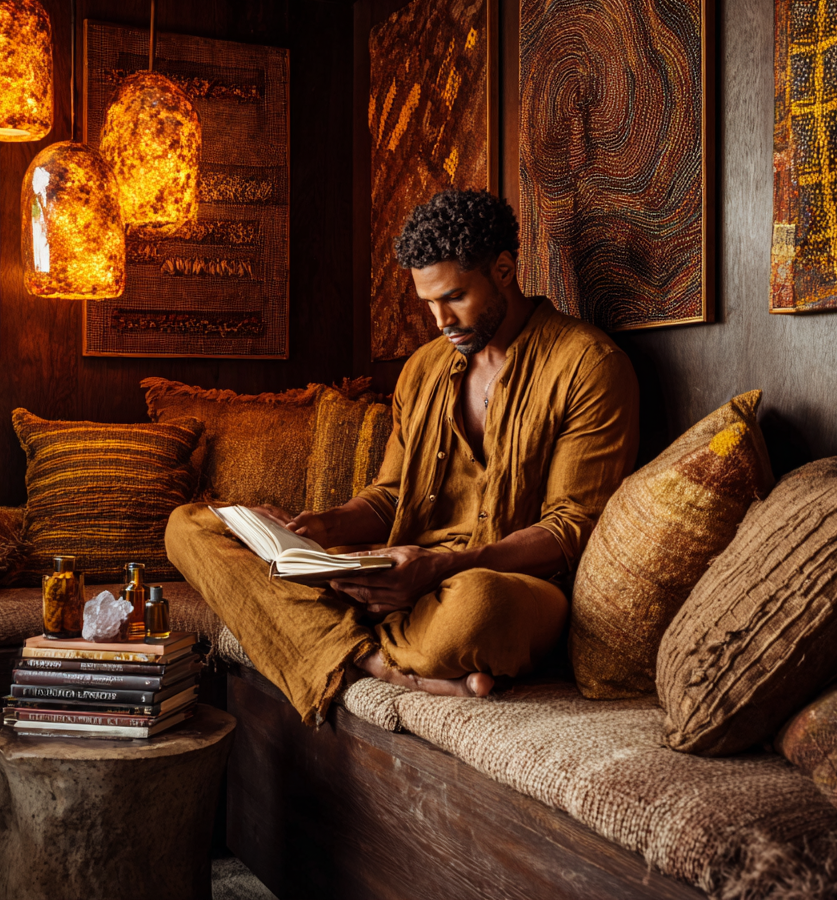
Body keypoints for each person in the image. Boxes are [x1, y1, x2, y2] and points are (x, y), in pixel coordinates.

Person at [165, 189, 639, 724]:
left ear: (504, 270)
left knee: (481, 608)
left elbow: (572, 528)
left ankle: (328, 638)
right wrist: (321, 527)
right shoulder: (423, 368)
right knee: (190, 525)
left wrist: (443, 566)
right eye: (428, 302)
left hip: (498, 584)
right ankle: (376, 661)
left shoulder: (589, 365)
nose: (441, 320)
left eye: (454, 297)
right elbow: (391, 496)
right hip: (397, 572)